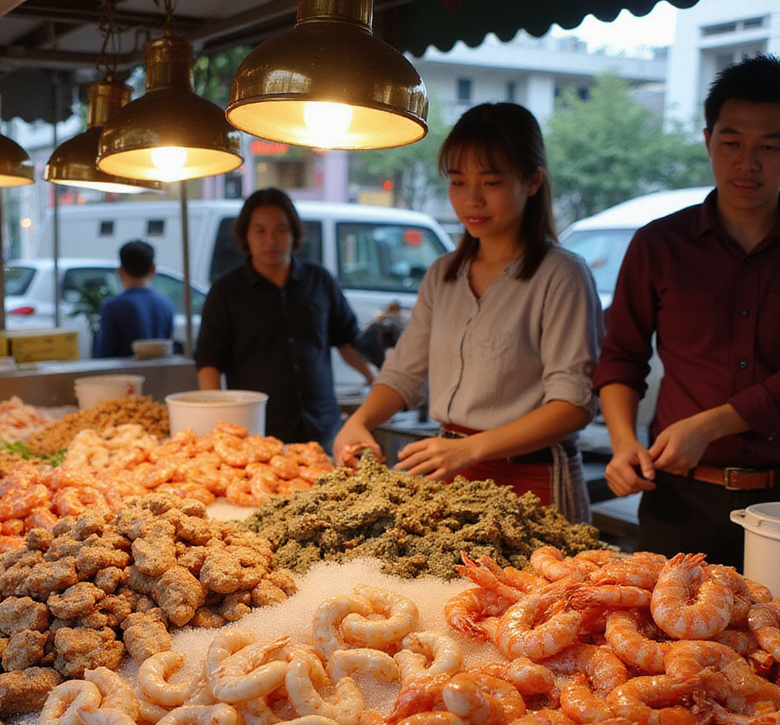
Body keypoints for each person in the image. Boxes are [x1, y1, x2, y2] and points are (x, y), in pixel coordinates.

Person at [333, 102, 601, 522]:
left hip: (533, 479)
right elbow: (403, 375)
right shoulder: (443, 274)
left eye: (491, 182)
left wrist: (471, 448)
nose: (471, 199)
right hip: (449, 473)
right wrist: (359, 422)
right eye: (458, 182)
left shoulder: (561, 275)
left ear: (532, 181)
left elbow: (573, 405)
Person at [594, 54, 780, 570]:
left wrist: (712, 425)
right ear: (707, 141)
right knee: (664, 622)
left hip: (778, 502)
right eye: (732, 142)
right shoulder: (658, 244)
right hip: (679, 499)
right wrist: (624, 444)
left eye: (770, 146)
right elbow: (621, 356)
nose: (748, 162)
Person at [194, 187, 377, 447]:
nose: (271, 240)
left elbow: (346, 340)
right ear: (246, 235)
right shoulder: (225, 291)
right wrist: (217, 423)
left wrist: (375, 381)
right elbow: (209, 360)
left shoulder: (319, 280)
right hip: (258, 430)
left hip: (323, 425)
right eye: (260, 231)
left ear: (294, 233)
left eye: (280, 230)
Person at [93, 239, 175, 359]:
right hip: (159, 369)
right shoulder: (166, 304)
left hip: (124, 370)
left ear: (120, 271)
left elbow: (104, 354)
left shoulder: (113, 306)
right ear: (153, 269)